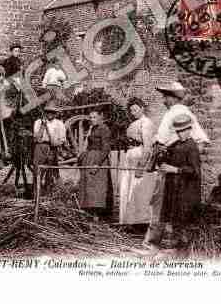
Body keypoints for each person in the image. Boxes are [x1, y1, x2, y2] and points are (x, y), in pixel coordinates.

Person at [143, 114, 202, 250]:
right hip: (174, 188)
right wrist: (162, 153)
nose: (180, 134)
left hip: (185, 190)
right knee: (174, 219)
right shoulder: (176, 144)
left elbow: (195, 171)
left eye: (183, 131)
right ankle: (176, 246)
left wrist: (175, 169)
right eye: (178, 131)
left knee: (183, 220)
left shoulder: (191, 146)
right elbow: (167, 158)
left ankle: (184, 249)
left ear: (189, 129)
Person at [119, 98, 157, 228]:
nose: (133, 112)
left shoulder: (146, 123)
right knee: (128, 188)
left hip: (139, 158)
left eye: (135, 109)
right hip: (131, 157)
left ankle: (140, 222)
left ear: (142, 108)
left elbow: (147, 147)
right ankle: (129, 220)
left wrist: (141, 166)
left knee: (139, 190)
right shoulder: (134, 123)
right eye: (131, 110)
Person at [78, 108, 113, 217]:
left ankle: (97, 215)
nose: (92, 119)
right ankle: (88, 212)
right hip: (89, 158)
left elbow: (106, 148)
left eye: (94, 117)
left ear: (100, 117)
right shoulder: (92, 129)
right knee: (88, 186)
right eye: (90, 117)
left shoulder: (104, 129)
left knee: (97, 187)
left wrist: (97, 163)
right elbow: (87, 145)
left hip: (98, 159)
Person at [32, 102, 66, 199]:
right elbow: (37, 138)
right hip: (40, 147)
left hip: (52, 149)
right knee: (37, 171)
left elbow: (62, 139)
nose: (50, 114)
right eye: (48, 112)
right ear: (45, 112)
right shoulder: (38, 122)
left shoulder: (59, 124)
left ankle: (48, 194)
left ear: (55, 113)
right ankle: (36, 195)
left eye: (52, 112)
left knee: (50, 172)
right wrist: (43, 126)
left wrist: (56, 143)